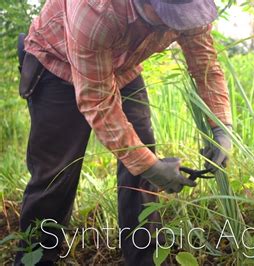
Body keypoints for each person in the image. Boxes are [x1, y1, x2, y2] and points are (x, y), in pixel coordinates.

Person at [15, 0, 232, 264]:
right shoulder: (94, 8)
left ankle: (145, 259)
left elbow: (205, 64)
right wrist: (150, 166)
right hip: (56, 62)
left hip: (122, 66)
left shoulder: (190, 7)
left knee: (141, 166)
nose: (174, 25)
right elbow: (96, 100)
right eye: (168, 15)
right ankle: (35, 258)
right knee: (55, 175)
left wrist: (222, 128)